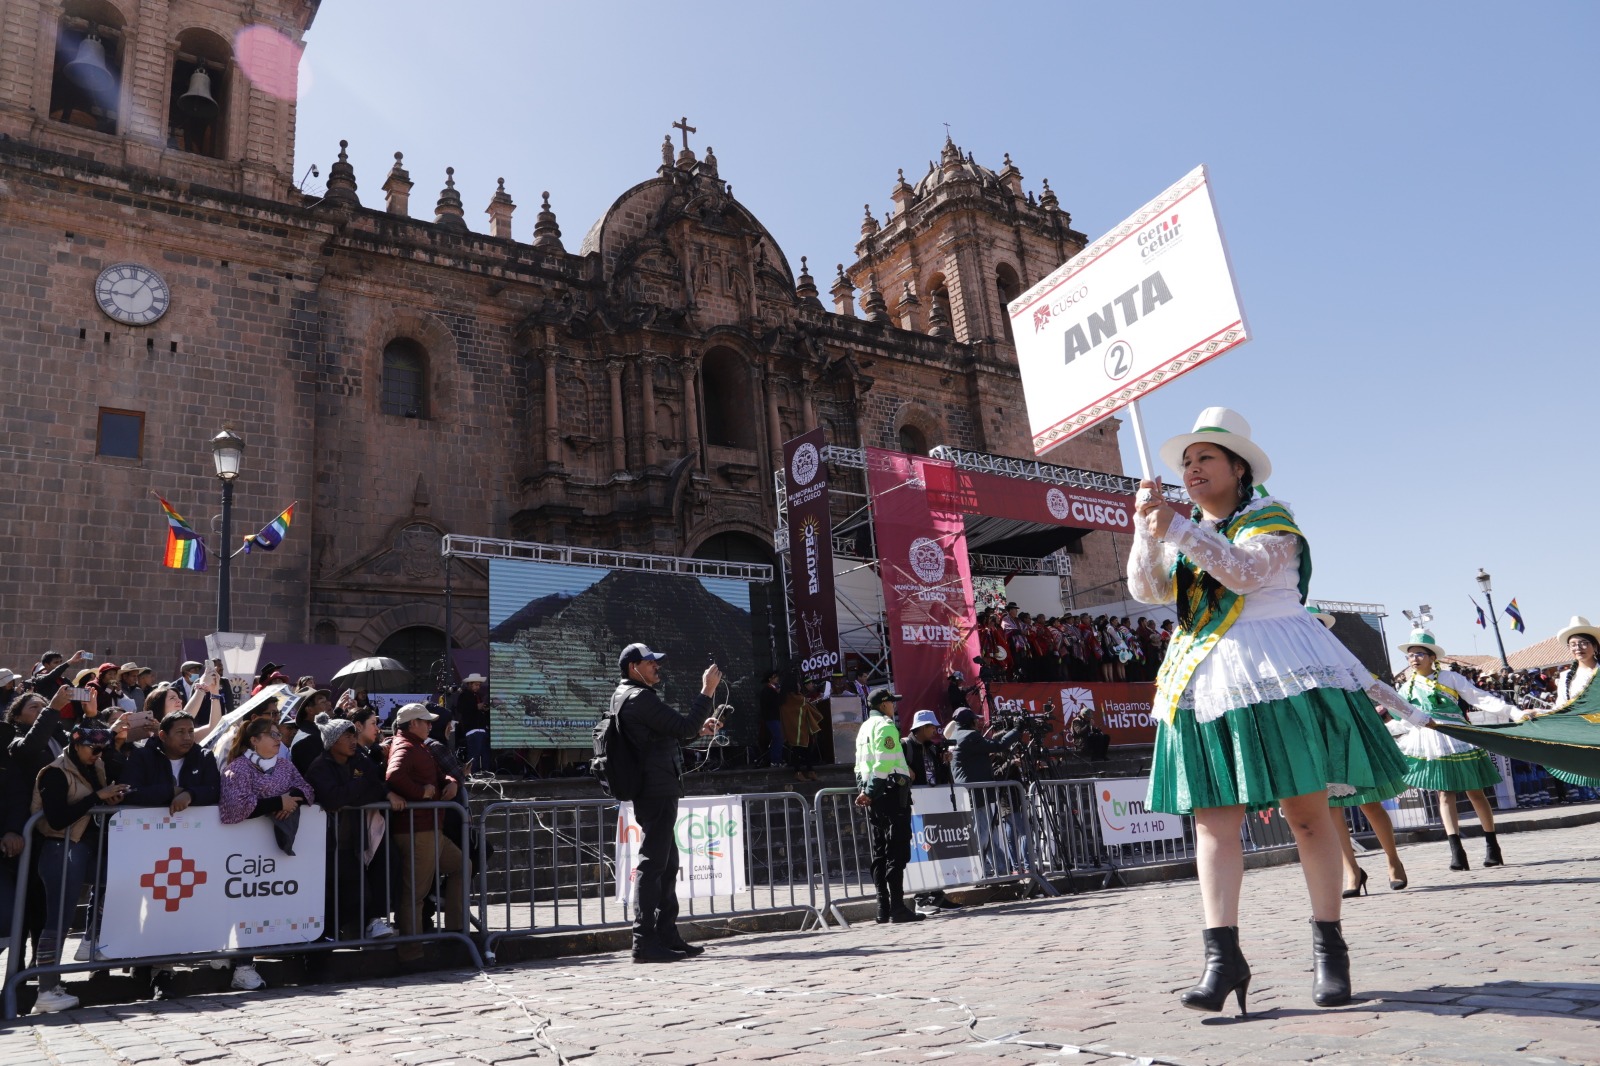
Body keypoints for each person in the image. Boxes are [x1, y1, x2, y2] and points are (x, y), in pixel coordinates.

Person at [1128, 407, 1434, 1014]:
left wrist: (1180, 530)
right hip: (1204, 678)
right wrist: (1146, 527)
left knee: (1307, 813)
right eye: (1186, 462)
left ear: (1239, 468)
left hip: (1280, 673)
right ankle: (1222, 957)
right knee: (1213, 819)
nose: (1191, 469)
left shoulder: (1273, 520)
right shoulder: (1185, 532)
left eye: (1205, 457)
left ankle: (1330, 948)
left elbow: (1243, 575)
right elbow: (1149, 589)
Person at [612, 643, 724, 962]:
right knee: (653, 863)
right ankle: (644, 940)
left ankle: (665, 933)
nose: (656, 667)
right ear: (634, 667)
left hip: (655, 787)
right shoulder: (638, 697)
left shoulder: (630, 695)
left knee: (667, 862)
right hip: (655, 789)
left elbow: (673, 733)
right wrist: (707, 690)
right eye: (650, 664)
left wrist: (698, 731)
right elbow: (683, 726)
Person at [1390, 629, 1525, 871]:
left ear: (1432, 657)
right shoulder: (1406, 688)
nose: (1414, 659)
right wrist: (1383, 731)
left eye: (1419, 654)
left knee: (1476, 792)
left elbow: (1479, 698)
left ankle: (1492, 844)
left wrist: (1513, 712)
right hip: (1430, 742)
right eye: (1410, 656)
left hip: (1457, 736)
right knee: (1444, 794)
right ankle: (1456, 851)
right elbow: (1405, 720)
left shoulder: (1450, 678)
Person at [29, 723, 128, 1012]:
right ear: (75, 745)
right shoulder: (54, 772)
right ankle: (46, 989)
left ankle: (93, 944)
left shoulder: (92, 768)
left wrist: (109, 796)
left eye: (102, 750)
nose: (98, 754)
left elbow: (89, 804)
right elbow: (57, 818)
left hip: (83, 849)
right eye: (92, 748)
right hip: (61, 849)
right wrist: (98, 797)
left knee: (119, 884)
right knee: (57, 921)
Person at [219, 717, 315, 991]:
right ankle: (241, 966)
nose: (278, 739)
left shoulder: (284, 765)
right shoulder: (238, 768)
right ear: (253, 740)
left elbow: (307, 789)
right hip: (241, 855)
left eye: (278, 734)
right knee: (242, 906)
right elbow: (234, 808)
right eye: (271, 734)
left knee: (265, 905)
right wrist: (275, 803)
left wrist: (291, 800)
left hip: (273, 853)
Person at [384, 702, 471, 966]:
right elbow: (394, 775)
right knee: (415, 893)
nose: (429, 725)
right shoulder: (406, 746)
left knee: (461, 866)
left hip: (429, 827)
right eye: (424, 721)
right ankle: (411, 953)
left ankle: (456, 932)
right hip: (417, 829)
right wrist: (421, 792)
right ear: (412, 725)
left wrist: (451, 783)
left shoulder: (417, 745)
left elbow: (438, 775)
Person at [304, 714, 399, 942]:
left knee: (361, 891)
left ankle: (367, 925)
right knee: (329, 894)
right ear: (333, 741)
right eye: (346, 736)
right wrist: (357, 786)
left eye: (353, 735)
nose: (353, 740)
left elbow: (374, 788)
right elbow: (333, 798)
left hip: (353, 840)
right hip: (327, 843)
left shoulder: (360, 760)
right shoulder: (319, 767)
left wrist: (354, 792)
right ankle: (327, 935)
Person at [853, 687, 922, 924]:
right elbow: (883, 762)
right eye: (892, 702)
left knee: (880, 852)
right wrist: (871, 791)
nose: (894, 706)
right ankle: (898, 908)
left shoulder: (863, 729)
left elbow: (859, 766)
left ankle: (883, 908)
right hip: (892, 795)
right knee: (897, 852)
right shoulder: (885, 726)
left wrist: (864, 791)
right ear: (883, 705)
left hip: (876, 797)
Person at [946, 708, 1024, 877]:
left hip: (969, 793)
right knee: (982, 836)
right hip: (977, 794)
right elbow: (998, 745)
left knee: (988, 835)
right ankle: (979, 872)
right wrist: (1017, 731)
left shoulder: (955, 737)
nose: (979, 722)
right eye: (976, 719)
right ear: (970, 722)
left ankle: (1002, 870)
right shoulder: (970, 736)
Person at [903, 709, 960, 915]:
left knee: (936, 852)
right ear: (921, 728)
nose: (935, 730)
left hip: (934, 806)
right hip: (914, 807)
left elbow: (941, 776)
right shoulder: (905, 746)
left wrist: (945, 762)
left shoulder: (934, 749)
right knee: (920, 853)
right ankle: (921, 898)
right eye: (931, 727)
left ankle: (937, 895)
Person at [120, 711, 221, 812]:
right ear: (163, 736)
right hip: (148, 824)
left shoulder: (204, 757)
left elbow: (215, 790)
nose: (187, 737)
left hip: (195, 825)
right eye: (180, 732)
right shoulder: (141, 757)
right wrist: (171, 792)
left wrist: (190, 795)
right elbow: (129, 792)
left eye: (191, 731)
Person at [455, 673, 490, 774]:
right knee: (474, 754)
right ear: (470, 684)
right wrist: (476, 707)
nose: (478, 687)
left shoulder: (478, 696)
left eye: (479, 685)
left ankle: (485, 773)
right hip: (472, 729)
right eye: (476, 685)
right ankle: (471, 774)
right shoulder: (464, 695)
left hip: (482, 729)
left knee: (485, 754)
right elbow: (461, 709)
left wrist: (484, 709)